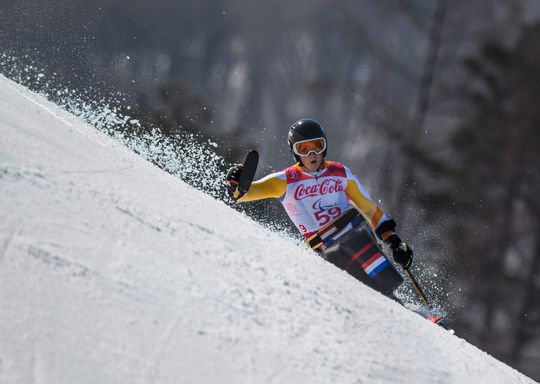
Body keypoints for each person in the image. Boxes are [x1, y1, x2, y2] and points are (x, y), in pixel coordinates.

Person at [225, 118, 413, 300]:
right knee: (357, 270)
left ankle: (401, 305)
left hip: (357, 233)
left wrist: (394, 241)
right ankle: (389, 302)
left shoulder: (340, 173)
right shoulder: (285, 180)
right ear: (295, 152)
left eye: (317, 146)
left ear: (325, 146)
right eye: (304, 149)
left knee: (373, 264)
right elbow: (245, 194)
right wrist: (236, 183)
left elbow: (370, 209)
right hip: (326, 247)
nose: (312, 154)